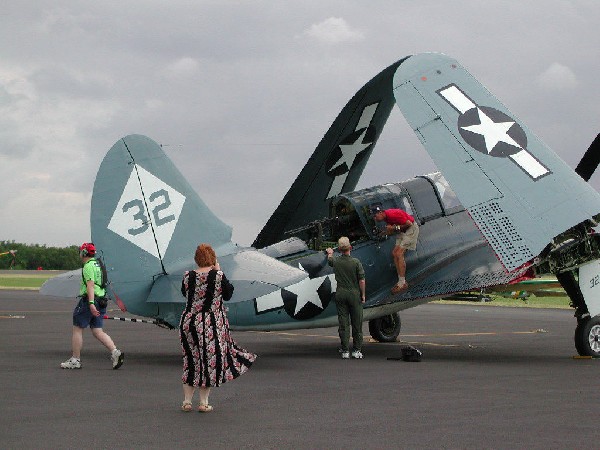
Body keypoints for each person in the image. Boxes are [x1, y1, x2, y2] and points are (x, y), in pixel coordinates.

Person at [179, 243, 257, 412]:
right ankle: (203, 402)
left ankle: (186, 401)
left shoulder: (188, 276)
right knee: (208, 361)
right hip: (210, 323)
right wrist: (218, 270)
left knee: (191, 360)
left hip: (188, 321)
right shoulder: (218, 276)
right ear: (212, 258)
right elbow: (228, 294)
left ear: (197, 259)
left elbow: (185, 294)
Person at [60, 243, 124, 370]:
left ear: (84, 253)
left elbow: (90, 285)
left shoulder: (88, 266)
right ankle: (115, 352)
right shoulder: (99, 264)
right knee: (97, 331)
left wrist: (90, 304)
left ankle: (75, 359)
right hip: (101, 300)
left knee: (77, 328)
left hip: (91, 300)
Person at [326, 236, 366, 359]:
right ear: (350, 247)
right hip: (354, 294)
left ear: (339, 249)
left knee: (343, 323)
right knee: (357, 323)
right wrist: (363, 295)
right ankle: (356, 350)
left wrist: (330, 253)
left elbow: (330, 260)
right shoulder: (356, 262)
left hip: (341, 294)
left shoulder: (336, 261)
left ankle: (345, 350)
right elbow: (362, 281)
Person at [373, 206, 420, 294]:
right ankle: (401, 281)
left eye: (375, 216)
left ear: (380, 213)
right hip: (402, 232)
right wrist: (384, 233)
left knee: (399, 253)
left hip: (411, 230)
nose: (375, 219)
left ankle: (402, 283)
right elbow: (393, 229)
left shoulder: (393, 214)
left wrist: (394, 228)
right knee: (394, 253)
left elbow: (409, 224)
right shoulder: (386, 218)